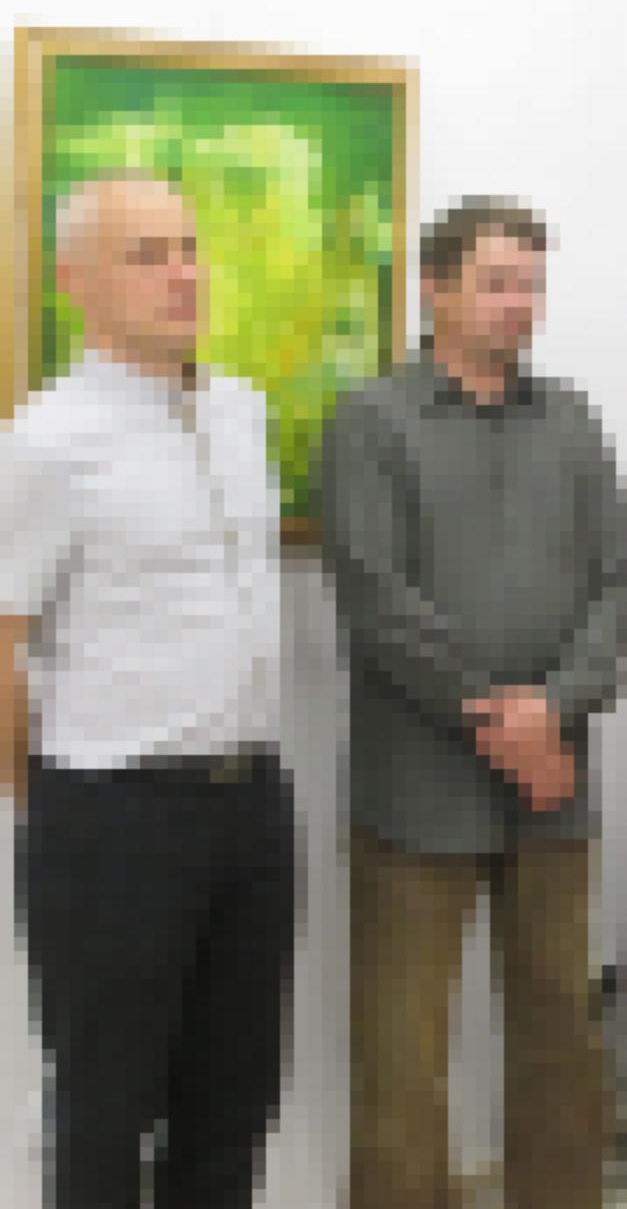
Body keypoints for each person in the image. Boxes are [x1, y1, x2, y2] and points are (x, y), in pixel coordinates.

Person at [316, 196, 627, 1209]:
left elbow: (617, 582)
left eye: (532, 286)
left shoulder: (572, 418)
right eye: (498, 283)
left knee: (561, 1041)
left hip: (554, 792)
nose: (519, 305)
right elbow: (376, 598)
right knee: (403, 1059)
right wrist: (509, 727)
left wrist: (556, 708)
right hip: (419, 796)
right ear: (437, 288)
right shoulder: (373, 420)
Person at [2, 172, 298, 1208]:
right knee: (104, 1108)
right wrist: (49, 798)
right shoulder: (46, 440)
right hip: (111, 815)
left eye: (188, 248)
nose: (182, 274)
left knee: (234, 1102)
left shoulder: (242, 411)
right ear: (74, 281)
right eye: (147, 255)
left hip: (252, 806)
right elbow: (2, 636)